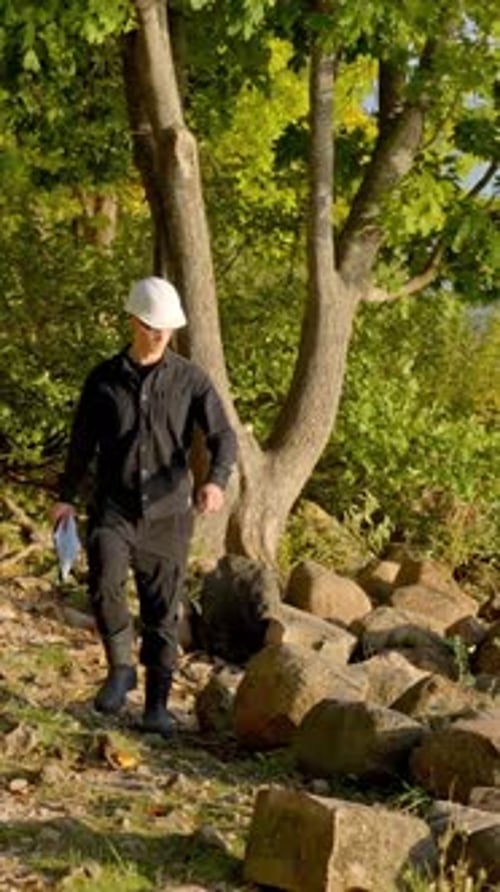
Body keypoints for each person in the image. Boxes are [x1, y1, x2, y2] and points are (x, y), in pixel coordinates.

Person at [52, 277, 237, 737]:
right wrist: (65, 498)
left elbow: (223, 436)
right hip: (114, 506)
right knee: (104, 582)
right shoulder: (103, 379)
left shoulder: (191, 379)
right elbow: (81, 444)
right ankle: (120, 670)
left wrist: (215, 482)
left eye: (167, 328)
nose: (160, 334)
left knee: (161, 612)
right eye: (152, 326)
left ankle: (156, 704)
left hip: (169, 513)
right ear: (133, 320)